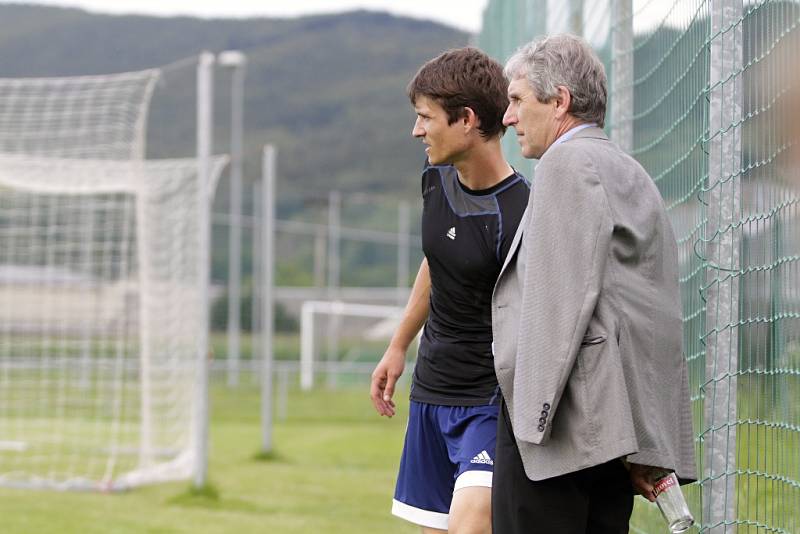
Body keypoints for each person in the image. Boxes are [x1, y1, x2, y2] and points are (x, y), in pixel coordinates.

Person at [491, 34, 697, 533]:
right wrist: (644, 441)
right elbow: (651, 313)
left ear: (559, 100)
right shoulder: (630, 171)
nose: (508, 117)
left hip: (557, 426)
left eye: (518, 100)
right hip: (613, 432)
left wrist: (530, 421)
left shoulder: (566, 164)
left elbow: (557, 306)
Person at [369, 47, 529, 534]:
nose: (417, 131)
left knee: (470, 528)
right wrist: (398, 345)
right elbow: (437, 262)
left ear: (466, 120)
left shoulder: (524, 211)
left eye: (425, 118)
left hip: (489, 404)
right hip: (431, 394)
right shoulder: (435, 179)